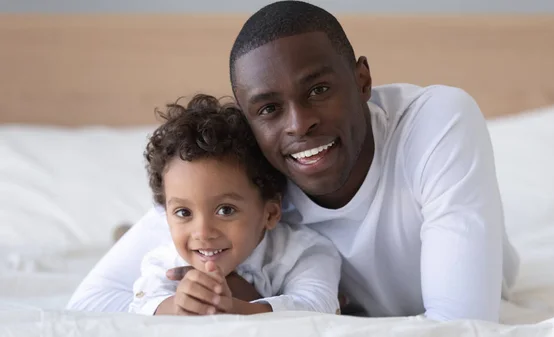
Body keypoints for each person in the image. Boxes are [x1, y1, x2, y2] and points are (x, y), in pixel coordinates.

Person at [67, 1, 519, 322]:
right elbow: (88, 304)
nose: (299, 125)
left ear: (362, 79)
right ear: (248, 121)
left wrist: (252, 308)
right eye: (268, 109)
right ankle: (132, 233)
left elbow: (464, 325)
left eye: (319, 90)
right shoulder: (249, 172)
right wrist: (177, 305)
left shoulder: (435, 122)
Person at [126, 94, 341, 315]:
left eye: (225, 210)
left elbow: (317, 306)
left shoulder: (305, 252)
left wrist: (232, 308)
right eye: (183, 212)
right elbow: (140, 306)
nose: (202, 232)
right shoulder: (165, 261)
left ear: (270, 213)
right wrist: (175, 307)